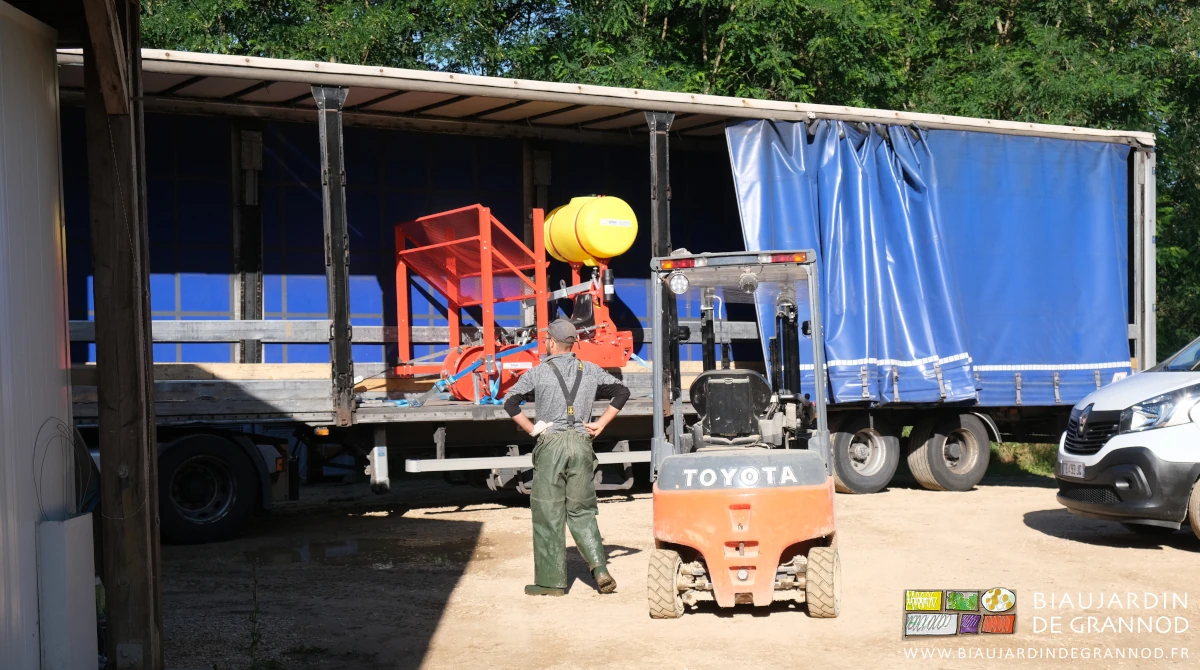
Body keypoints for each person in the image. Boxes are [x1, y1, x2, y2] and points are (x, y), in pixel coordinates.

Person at [503, 318, 631, 596]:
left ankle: (551, 583)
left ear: (550, 342)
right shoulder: (591, 370)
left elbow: (510, 402)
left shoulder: (538, 373)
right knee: (582, 510)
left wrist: (533, 429)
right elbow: (622, 391)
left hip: (551, 445)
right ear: (573, 344)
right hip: (582, 444)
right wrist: (600, 424)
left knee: (548, 512)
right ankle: (600, 569)